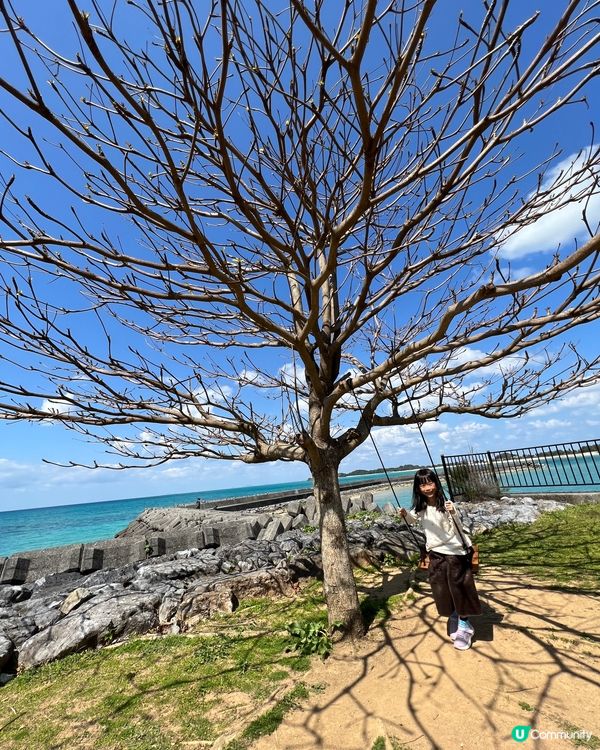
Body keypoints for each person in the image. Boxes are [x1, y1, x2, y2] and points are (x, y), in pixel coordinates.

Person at [400, 467, 481, 650]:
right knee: (441, 587)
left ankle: (464, 624)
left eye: (430, 483)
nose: (427, 488)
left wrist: (453, 512)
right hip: (435, 552)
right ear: (418, 488)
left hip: (454, 551)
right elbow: (412, 520)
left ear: (436, 483)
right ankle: (455, 615)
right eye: (423, 485)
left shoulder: (446, 504)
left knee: (459, 586)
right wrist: (404, 514)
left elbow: (459, 526)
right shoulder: (420, 507)